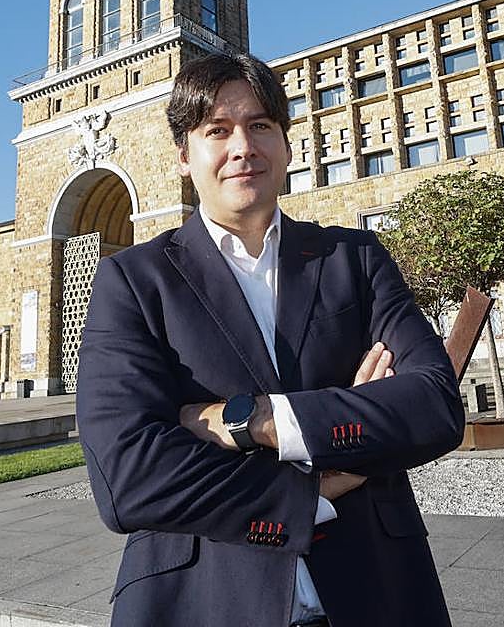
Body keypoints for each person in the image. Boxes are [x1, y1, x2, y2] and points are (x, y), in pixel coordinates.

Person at [76, 52, 465, 627]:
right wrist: (315, 489)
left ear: (285, 143)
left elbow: (435, 406)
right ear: (184, 155)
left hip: (378, 592)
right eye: (217, 130)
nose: (243, 147)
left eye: (260, 125)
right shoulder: (134, 282)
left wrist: (255, 421)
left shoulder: (354, 259)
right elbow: (128, 477)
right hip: (204, 602)